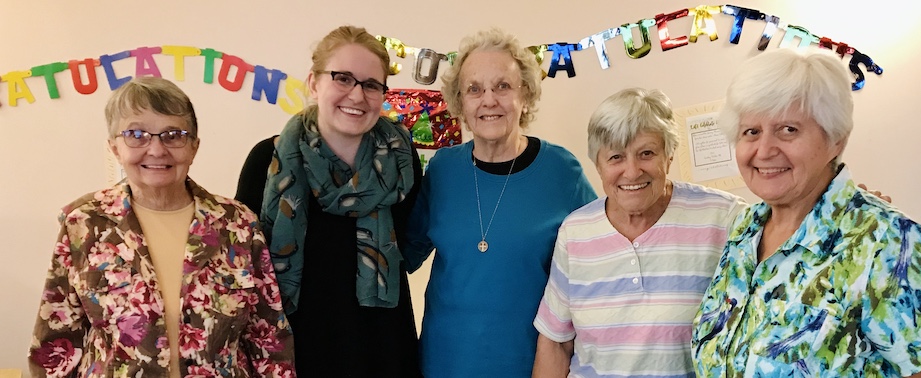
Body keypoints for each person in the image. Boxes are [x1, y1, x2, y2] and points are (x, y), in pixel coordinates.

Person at [691, 47, 921, 376]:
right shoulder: (745, 231)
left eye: (788, 129)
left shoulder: (883, 242)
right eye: (751, 132)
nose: (764, 150)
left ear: (835, 140)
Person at [28, 77, 295, 377]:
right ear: (115, 148)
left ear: (194, 147)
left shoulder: (238, 225)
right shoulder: (84, 225)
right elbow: (54, 347)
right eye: (136, 134)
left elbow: (268, 339)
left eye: (173, 135)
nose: (156, 149)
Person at [403, 28, 596, 377]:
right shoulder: (443, 169)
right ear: (460, 102)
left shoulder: (561, 171)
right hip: (443, 364)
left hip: (530, 365)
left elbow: (597, 261)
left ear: (525, 94)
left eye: (502, 86)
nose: (488, 100)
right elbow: (400, 256)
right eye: (474, 89)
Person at [234, 25, 422, 377]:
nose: (356, 94)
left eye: (370, 84)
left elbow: (411, 242)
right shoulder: (268, 160)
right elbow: (246, 268)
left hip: (382, 345)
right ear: (314, 82)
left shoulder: (402, 158)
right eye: (343, 78)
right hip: (296, 346)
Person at [532, 88, 747, 377]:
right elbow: (555, 342)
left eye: (646, 153)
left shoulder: (724, 217)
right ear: (598, 164)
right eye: (616, 157)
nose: (632, 172)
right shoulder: (576, 232)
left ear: (669, 155)